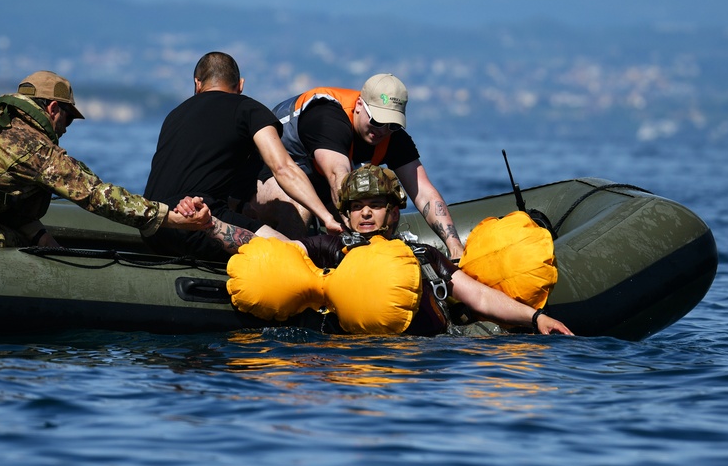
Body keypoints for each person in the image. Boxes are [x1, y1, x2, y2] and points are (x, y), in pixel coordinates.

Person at [0, 71, 210, 249]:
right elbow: (97, 195)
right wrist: (171, 218)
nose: (67, 129)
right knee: (19, 245)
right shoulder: (37, 148)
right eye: (68, 120)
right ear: (52, 108)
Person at [297, 165, 573, 336]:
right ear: (346, 214)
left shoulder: (423, 256)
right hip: (350, 357)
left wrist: (536, 317)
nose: (365, 212)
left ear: (393, 213)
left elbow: (479, 296)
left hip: (419, 359)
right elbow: (288, 252)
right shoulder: (329, 249)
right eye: (357, 206)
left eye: (375, 204)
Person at [143, 51, 343, 261]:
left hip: (154, 227)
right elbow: (283, 168)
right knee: (291, 254)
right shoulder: (249, 110)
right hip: (198, 223)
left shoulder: (174, 115)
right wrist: (327, 218)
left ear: (197, 84)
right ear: (240, 84)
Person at [252, 73, 465, 259]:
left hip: (315, 184)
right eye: (377, 120)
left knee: (383, 212)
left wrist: (454, 247)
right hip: (259, 179)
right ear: (360, 105)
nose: (382, 130)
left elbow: (424, 192)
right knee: (299, 209)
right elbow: (339, 176)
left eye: (391, 124)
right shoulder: (327, 117)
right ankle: (293, 278)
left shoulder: (392, 135)